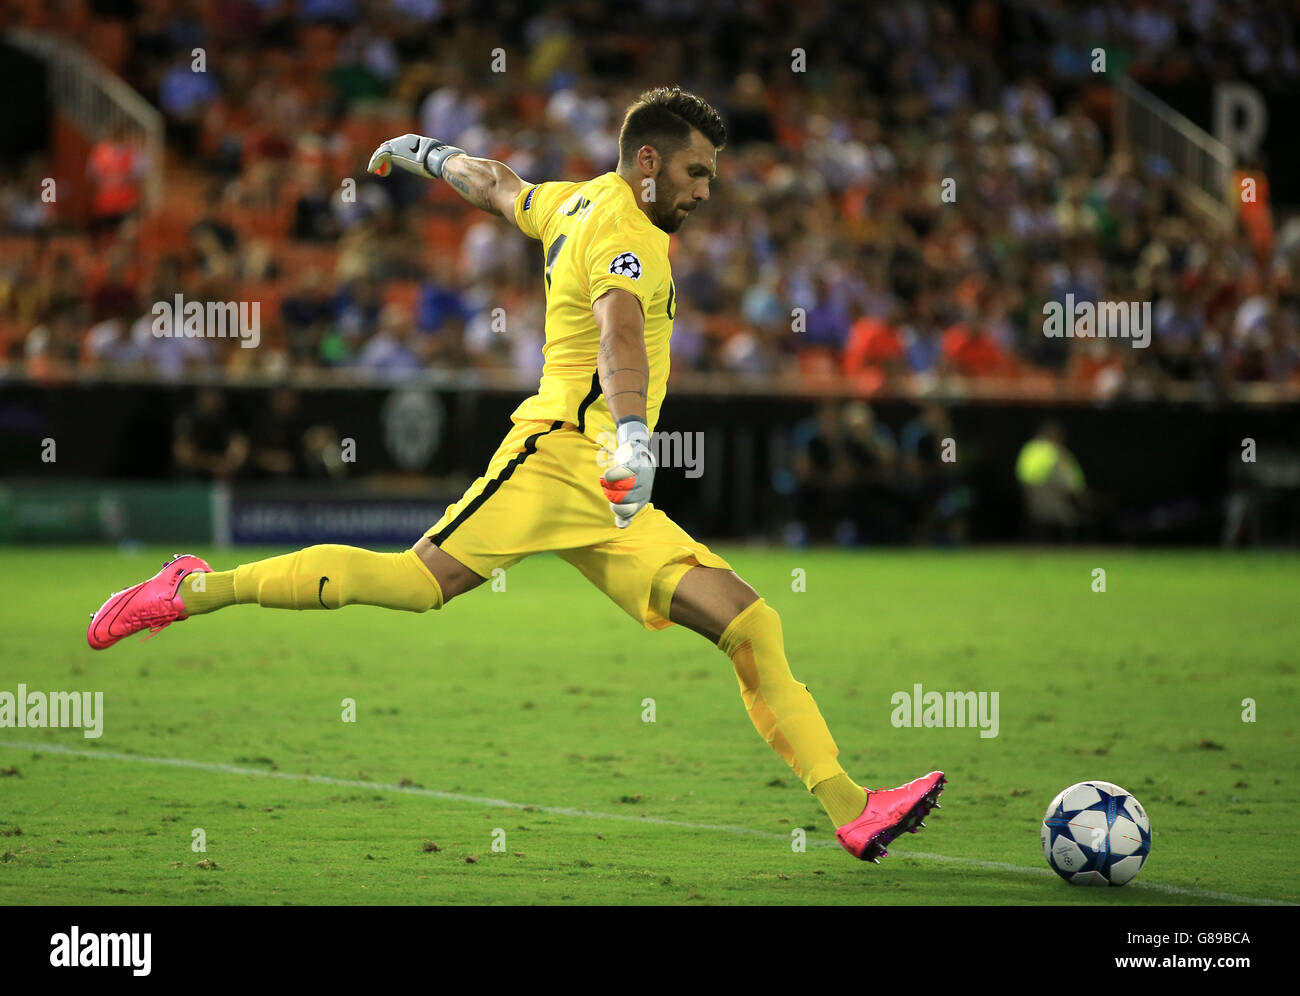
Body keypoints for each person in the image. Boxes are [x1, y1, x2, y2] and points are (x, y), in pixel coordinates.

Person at [87, 87, 943, 863]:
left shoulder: (577, 200)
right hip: (562, 457)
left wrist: (428, 154)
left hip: (607, 492)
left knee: (751, 626)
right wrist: (637, 440)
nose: (705, 189)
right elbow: (617, 339)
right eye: (694, 170)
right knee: (418, 585)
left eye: (710, 174)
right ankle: (195, 588)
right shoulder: (622, 233)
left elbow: (499, 185)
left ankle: (852, 808)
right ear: (647, 161)